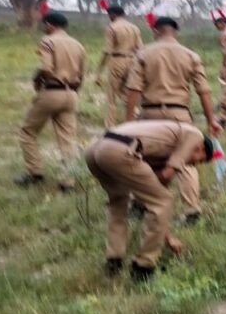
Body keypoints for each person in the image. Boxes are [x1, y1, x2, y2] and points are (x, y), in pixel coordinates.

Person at [85, 120, 215, 280]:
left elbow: (151, 198)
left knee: (118, 202)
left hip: (96, 148)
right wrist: (148, 181)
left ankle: (114, 261)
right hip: (120, 149)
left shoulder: (161, 149)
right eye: (200, 160)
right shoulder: (195, 135)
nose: (194, 164)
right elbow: (165, 178)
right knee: (164, 201)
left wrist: (169, 238)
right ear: (200, 148)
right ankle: (143, 267)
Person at [125, 17, 222, 224]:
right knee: (186, 162)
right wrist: (211, 120)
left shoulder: (143, 54)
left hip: (150, 115)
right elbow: (203, 91)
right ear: (175, 32)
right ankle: (191, 210)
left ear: (156, 31)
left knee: (144, 159)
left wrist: (128, 122)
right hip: (180, 115)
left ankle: (140, 203)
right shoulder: (191, 56)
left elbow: (133, 90)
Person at [16, 12, 87, 191]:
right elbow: (81, 76)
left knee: (28, 132)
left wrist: (37, 78)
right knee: (68, 139)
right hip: (71, 93)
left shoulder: (48, 41)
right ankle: (68, 181)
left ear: (50, 25)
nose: (44, 27)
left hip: (52, 91)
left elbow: (46, 68)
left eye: (44, 24)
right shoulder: (78, 45)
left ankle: (34, 173)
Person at [94, 4, 143, 127]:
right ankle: (137, 116)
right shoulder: (134, 28)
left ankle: (110, 126)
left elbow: (107, 51)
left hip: (117, 60)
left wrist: (99, 71)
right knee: (126, 93)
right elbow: (141, 48)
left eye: (109, 15)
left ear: (113, 14)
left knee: (111, 97)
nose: (109, 17)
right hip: (132, 61)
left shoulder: (112, 28)